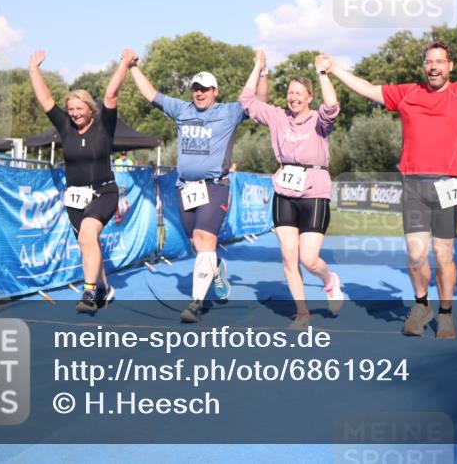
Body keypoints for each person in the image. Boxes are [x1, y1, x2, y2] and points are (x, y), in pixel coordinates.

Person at [325, 0, 457, 339]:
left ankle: (444, 313)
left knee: (444, 255)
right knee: (415, 255)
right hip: (412, 184)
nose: (433, 67)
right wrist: (336, 68)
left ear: (450, 67)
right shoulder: (407, 93)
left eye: (440, 62)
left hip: (447, 184)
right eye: (429, 61)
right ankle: (421, 303)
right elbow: (368, 89)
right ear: (423, 66)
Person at [126, 52, 267, 323]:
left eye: (205, 89)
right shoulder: (182, 110)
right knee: (197, 244)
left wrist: (260, 69)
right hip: (186, 188)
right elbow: (151, 94)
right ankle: (215, 269)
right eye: (196, 89)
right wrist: (133, 67)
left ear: (216, 91)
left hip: (215, 187)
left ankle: (196, 303)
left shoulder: (228, 112)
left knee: (204, 239)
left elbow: (258, 101)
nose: (200, 93)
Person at [239, 50, 344, 329]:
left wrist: (322, 73)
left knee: (308, 259)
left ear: (309, 97)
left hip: (314, 191)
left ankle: (329, 280)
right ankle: (302, 313)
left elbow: (332, 105)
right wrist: (259, 68)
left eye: (300, 93)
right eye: (290, 92)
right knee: (288, 255)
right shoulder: (277, 116)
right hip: (285, 191)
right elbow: (246, 101)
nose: (294, 97)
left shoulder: (319, 121)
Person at [29, 48, 133, 314]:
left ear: (91, 109)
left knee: (88, 234)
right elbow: (46, 99)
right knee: (88, 243)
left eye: (79, 108)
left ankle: (88, 293)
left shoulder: (104, 127)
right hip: (74, 196)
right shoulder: (66, 128)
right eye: (71, 109)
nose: (74, 113)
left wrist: (123, 63)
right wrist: (34, 69)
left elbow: (111, 94)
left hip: (103, 193)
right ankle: (103, 287)